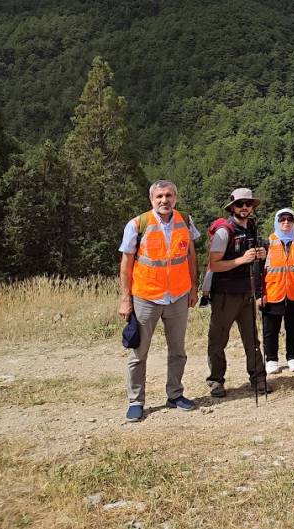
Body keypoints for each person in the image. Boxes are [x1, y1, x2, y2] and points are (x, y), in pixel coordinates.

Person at [117, 180, 199, 422]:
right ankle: (136, 401)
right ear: (152, 199)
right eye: (160, 196)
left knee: (178, 351)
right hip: (146, 297)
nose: (165, 200)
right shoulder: (137, 224)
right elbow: (126, 263)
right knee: (138, 353)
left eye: (169, 195)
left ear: (176, 197)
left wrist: (193, 288)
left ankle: (175, 394)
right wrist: (125, 298)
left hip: (178, 296)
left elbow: (191, 255)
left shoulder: (185, 220)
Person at [206, 187, 269, 398]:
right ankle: (216, 381)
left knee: (252, 339)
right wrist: (243, 259)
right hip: (224, 294)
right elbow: (214, 265)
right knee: (218, 339)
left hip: (247, 292)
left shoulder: (252, 228)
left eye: (248, 204)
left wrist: (262, 254)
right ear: (232, 207)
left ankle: (258, 379)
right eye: (240, 204)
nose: (244, 208)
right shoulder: (225, 231)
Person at [260, 209, 294, 374]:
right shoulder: (266, 243)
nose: (286, 222)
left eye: (289, 219)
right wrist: (259, 293)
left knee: (293, 327)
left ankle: (292, 357)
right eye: (282, 219)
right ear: (276, 221)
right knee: (270, 330)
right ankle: (271, 359)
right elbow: (258, 271)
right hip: (272, 293)